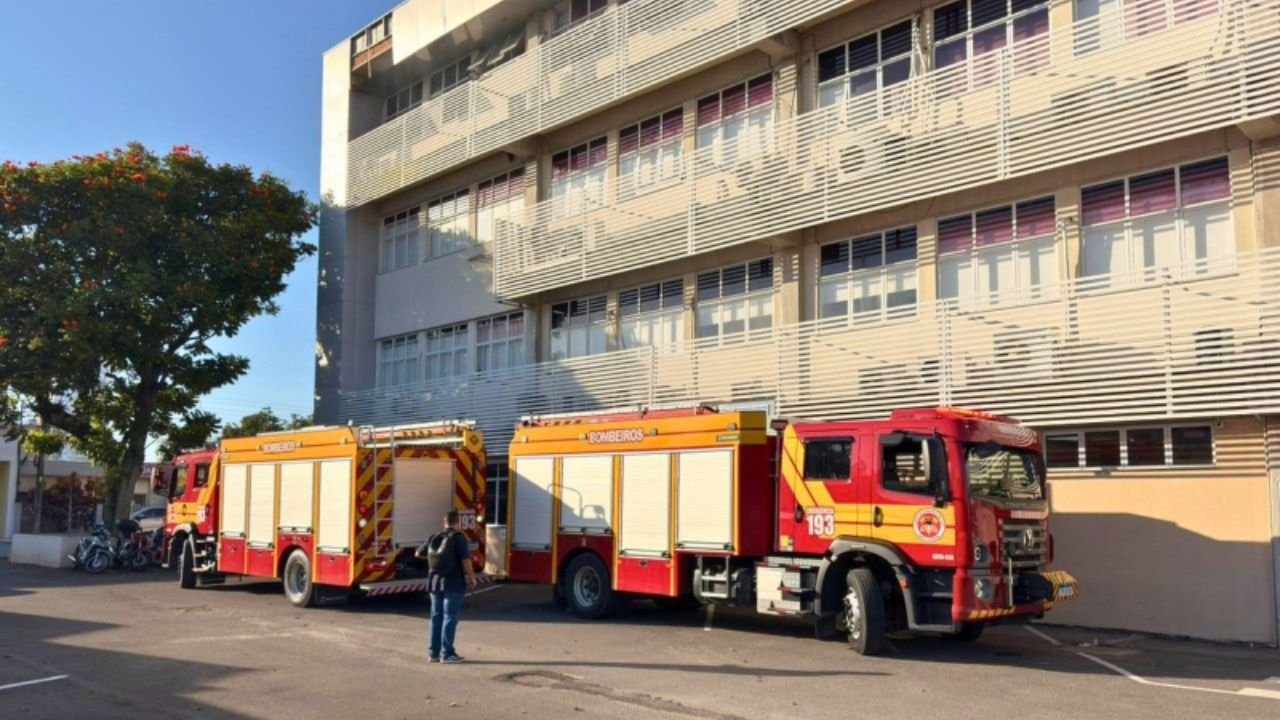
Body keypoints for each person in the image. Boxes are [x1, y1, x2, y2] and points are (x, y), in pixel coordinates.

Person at [416, 510, 477, 664]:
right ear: (458, 523)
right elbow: (465, 560)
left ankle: (433, 653)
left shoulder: (433, 537)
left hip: (434, 582)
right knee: (450, 617)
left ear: (444, 522)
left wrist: (435, 559)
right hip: (453, 583)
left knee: (436, 616)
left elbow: (418, 553)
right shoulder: (459, 538)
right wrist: (472, 577)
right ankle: (447, 653)